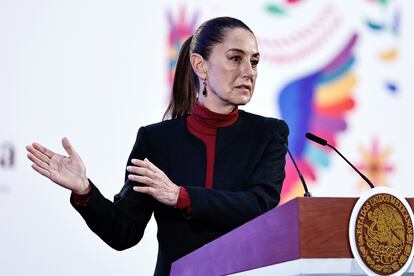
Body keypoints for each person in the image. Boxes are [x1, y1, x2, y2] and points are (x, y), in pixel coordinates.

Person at [26, 16, 289, 276]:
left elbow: (259, 206)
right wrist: (85, 191)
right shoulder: (157, 141)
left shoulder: (269, 133)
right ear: (200, 65)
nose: (249, 72)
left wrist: (181, 197)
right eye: (236, 58)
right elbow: (124, 233)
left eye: (254, 62)